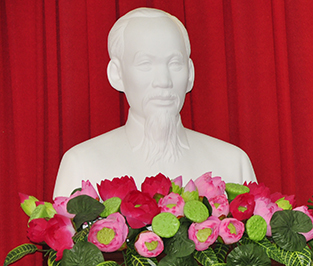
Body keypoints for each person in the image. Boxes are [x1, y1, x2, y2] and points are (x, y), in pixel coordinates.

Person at [52, 7, 256, 198]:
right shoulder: (82, 165)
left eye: (175, 63)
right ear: (116, 74)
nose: (164, 81)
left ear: (190, 74)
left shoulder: (232, 164)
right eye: (145, 63)